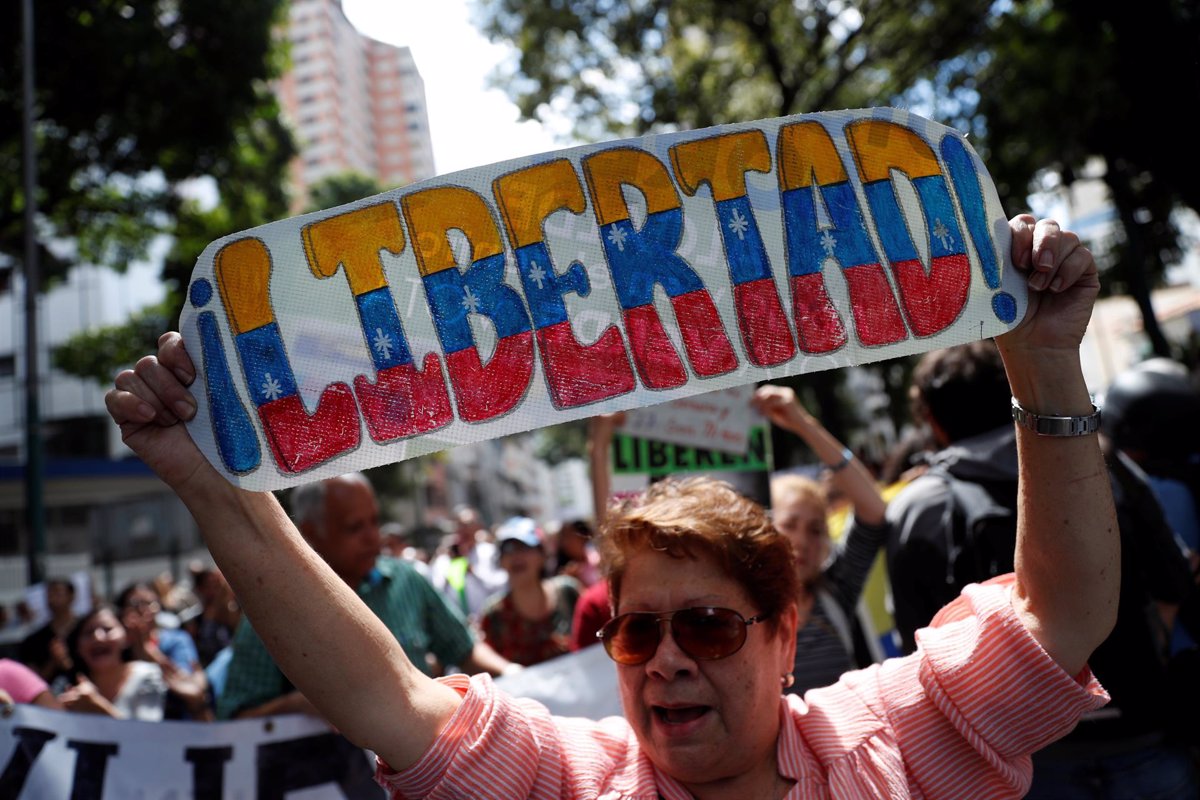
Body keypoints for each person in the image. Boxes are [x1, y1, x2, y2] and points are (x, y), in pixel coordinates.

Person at [108, 215, 1116, 798]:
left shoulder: (893, 734)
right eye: (636, 633)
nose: (668, 656)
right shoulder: (575, 779)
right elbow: (385, 695)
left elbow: (1057, 617)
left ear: (785, 634)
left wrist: (1044, 357)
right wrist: (208, 481)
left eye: (709, 624)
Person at [887, 335, 1199, 797]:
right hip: (1141, 730)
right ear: (1013, 387)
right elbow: (1174, 578)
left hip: (1023, 762)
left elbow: (920, 653)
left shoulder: (917, 509)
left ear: (933, 420)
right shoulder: (1102, 461)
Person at [217, 473, 515, 720]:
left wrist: (517, 676)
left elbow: (463, 650)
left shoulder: (406, 580)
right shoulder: (274, 611)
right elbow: (237, 719)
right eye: (355, 527)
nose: (373, 536)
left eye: (374, 522)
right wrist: (297, 707)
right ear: (309, 534)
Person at [751, 386, 888, 695]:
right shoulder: (740, 605)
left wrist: (802, 422)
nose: (801, 540)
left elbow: (873, 510)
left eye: (815, 530)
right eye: (789, 524)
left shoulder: (837, 590)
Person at [59, 605, 210, 721]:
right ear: (77, 646)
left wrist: (99, 708)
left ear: (125, 638)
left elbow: (145, 740)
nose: (98, 637)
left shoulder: (147, 676)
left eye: (107, 629)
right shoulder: (67, 687)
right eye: (88, 633)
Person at [478, 517, 583, 666]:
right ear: (500, 561)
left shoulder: (568, 592)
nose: (516, 556)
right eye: (508, 549)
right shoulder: (494, 614)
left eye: (524, 547)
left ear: (542, 555)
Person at [430, 505, 509, 621]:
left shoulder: (489, 552)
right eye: (460, 526)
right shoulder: (445, 559)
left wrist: (475, 572)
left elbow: (502, 584)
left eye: (468, 525)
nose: (464, 530)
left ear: (478, 527)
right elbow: (436, 591)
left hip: (487, 620)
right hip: (456, 624)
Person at [18, 577, 78, 691]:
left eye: (58, 593)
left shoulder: (87, 632)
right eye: (49, 594)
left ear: (72, 596)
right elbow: (31, 681)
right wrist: (53, 662)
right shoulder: (33, 640)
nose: (52, 599)